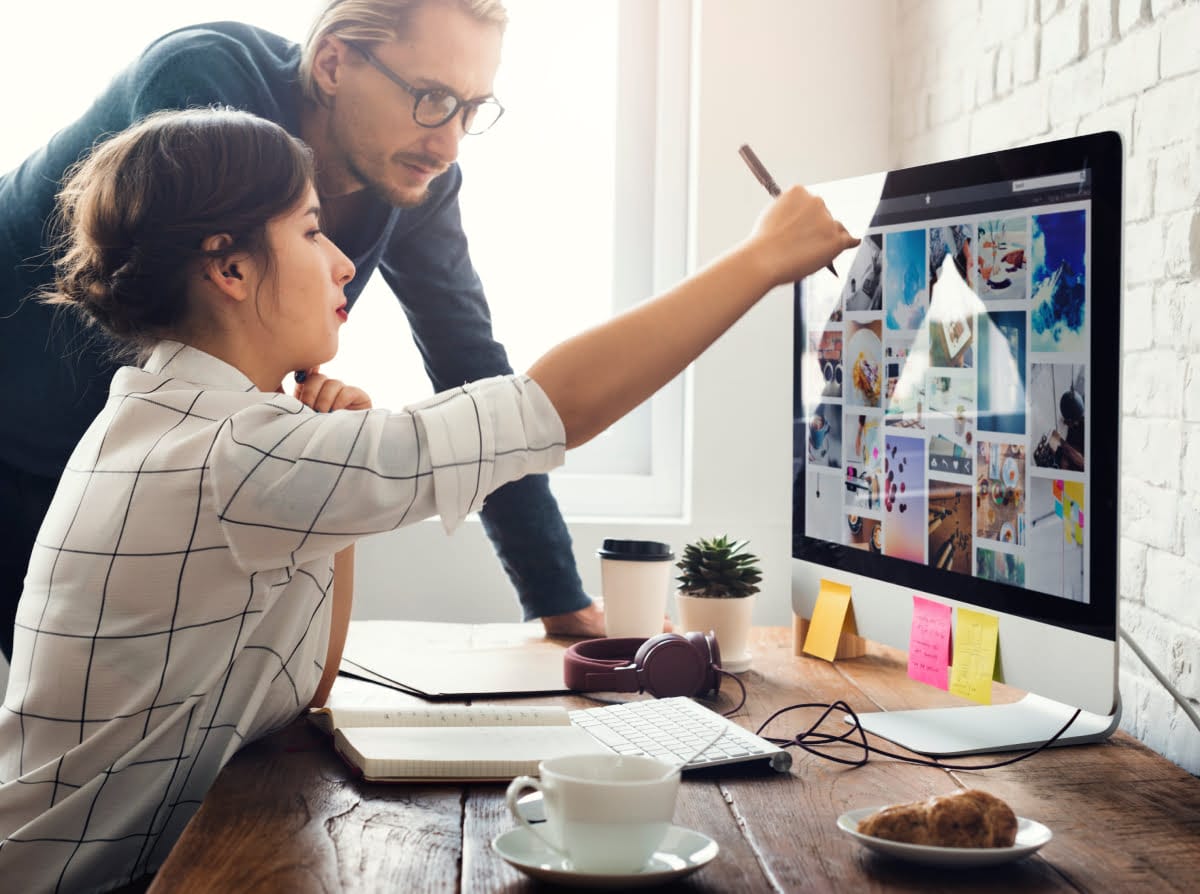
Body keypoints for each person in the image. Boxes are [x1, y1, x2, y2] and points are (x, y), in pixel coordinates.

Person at [0, 107, 853, 891]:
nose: (341, 261)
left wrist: (332, 508)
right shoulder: (235, 452)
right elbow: (553, 409)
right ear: (229, 266)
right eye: (309, 230)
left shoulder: (169, 416)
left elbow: (309, 685)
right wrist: (760, 260)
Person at [0, 0, 604, 658]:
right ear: (333, 61)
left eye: (472, 108)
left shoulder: (414, 172)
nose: (449, 142)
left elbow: (471, 360)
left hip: (124, 463)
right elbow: (190, 334)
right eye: (431, 98)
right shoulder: (204, 88)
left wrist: (559, 598)